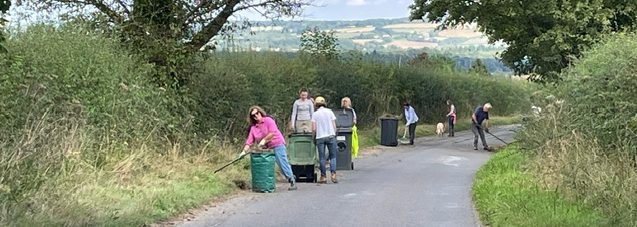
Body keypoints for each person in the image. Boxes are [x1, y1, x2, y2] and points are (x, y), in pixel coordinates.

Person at [242, 106, 297, 190]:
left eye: (257, 113)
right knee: (265, 165)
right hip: (267, 149)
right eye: (253, 115)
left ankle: (291, 179)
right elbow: (249, 141)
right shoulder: (254, 128)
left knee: (282, 162)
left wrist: (263, 141)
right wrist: (244, 151)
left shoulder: (268, 120)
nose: (256, 116)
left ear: (260, 112)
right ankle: (264, 184)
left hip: (277, 143)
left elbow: (272, 133)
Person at [312, 96, 338, 184]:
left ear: (316, 104)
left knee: (322, 158)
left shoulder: (315, 114)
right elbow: (334, 125)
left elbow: (314, 128)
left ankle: (323, 176)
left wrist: (313, 137)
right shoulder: (330, 112)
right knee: (333, 157)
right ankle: (333, 174)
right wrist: (334, 134)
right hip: (331, 136)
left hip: (320, 137)